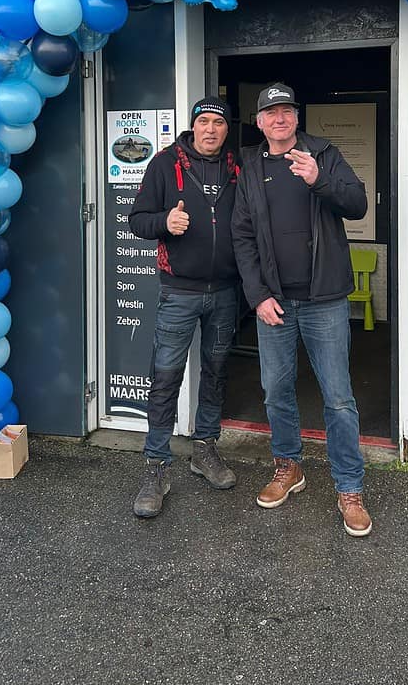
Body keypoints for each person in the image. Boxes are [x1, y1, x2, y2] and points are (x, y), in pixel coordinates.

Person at [231, 83, 372, 537]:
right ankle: (288, 466)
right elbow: (242, 234)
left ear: (296, 116)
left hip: (324, 297)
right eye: (270, 112)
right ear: (259, 121)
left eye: (286, 110)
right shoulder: (250, 165)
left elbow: (357, 203)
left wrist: (319, 179)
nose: (279, 118)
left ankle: (349, 487)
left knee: (338, 397)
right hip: (273, 299)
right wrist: (257, 295)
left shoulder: (323, 154)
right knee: (276, 389)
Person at [128, 96, 240, 518]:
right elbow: (137, 219)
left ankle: (204, 449)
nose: (210, 129)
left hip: (227, 291)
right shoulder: (164, 164)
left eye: (218, 122)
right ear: (193, 127)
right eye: (204, 122)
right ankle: (156, 467)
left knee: (216, 371)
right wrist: (164, 223)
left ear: (227, 129)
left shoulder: (236, 168)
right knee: (166, 376)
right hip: (179, 292)